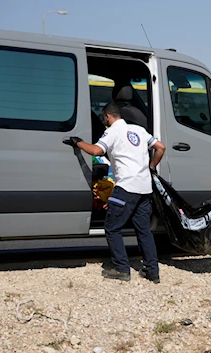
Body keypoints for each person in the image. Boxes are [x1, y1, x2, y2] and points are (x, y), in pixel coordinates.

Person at [66, 102, 166, 283]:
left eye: (104, 118)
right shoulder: (139, 130)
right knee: (144, 230)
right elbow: (161, 148)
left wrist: (78, 142)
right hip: (144, 187)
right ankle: (152, 272)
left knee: (112, 228)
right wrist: (150, 167)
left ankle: (121, 269)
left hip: (127, 187)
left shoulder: (112, 132)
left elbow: (96, 150)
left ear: (107, 117)